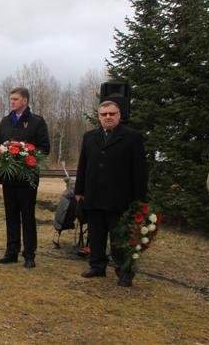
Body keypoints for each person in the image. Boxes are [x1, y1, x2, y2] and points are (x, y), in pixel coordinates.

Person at [75, 100, 148, 287]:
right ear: (99, 117)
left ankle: (124, 272)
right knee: (96, 235)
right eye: (104, 114)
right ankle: (97, 266)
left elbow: (140, 171)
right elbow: (83, 165)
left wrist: (138, 200)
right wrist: (79, 191)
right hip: (93, 196)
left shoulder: (132, 137)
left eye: (112, 114)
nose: (108, 117)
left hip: (120, 198)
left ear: (119, 115)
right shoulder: (89, 137)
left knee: (120, 239)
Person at [0, 87, 50, 269]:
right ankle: (11, 252)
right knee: (11, 215)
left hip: (27, 178)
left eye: (15, 99)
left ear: (25, 101)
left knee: (27, 216)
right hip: (9, 177)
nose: (12, 102)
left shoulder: (36, 122)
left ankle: (29, 254)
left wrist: (26, 153)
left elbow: (44, 148)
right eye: (11, 99)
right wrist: (1, 152)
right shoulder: (5, 121)